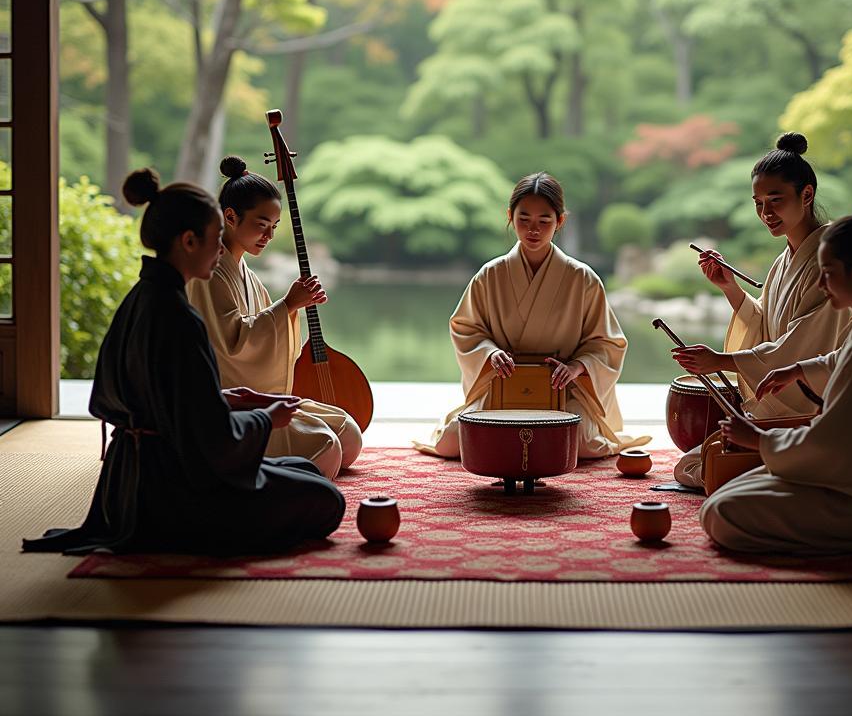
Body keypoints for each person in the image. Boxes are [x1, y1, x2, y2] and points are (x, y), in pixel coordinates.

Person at [23, 168, 344, 556]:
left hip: (142, 471)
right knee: (328, 502)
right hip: (171, 485)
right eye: (215, 242)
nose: (221, 250)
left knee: (307, 471)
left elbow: (168, 402)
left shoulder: (144, 296)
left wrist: (232, 397)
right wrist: (265, 419)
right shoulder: (175, 315)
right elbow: (209, 437)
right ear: (189, 241)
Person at [701, 198, 852, 554]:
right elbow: (845, 363)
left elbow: (833, 442)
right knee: (729, 492)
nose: (821, 282)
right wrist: (800, 369)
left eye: (828, 272)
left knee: (721, 514)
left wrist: (759, 440)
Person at [415, 172, 650, 459]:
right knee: (453, 441)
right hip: (504, 384)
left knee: (582, 444)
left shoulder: (582, 279)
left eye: (544, 221)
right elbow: (466, 329)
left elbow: (607, 343)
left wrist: (577, 367)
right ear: (510, 216)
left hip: (563, 390)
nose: (533, 230)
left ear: (560, 221)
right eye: (523, 219)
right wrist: (489, 353)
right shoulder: (490, 275)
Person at [671, 132, 852, 488]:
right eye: (758, 203)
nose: (766, 213)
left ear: (806, 195)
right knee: (693, 467)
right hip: (784, 406)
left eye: (775, 200)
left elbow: (803, 347)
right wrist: (729, 287)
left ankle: (796, 459)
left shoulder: (829, 260)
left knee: (708, 471)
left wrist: (721, 361)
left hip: (815, 407)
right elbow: (767, 325)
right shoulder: (783, 261)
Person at [187, 156, 362, 479]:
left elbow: (270, 335)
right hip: (233, 401)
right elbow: (232, 344)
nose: (268, 235)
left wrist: (292, 307)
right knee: (328, 449)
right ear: (230, 216)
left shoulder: (245, 272)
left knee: (349, 434)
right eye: (261, 224)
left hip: (261, 394)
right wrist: (286, 305)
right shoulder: (209, 273)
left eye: (274, 227)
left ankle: (273, 466)